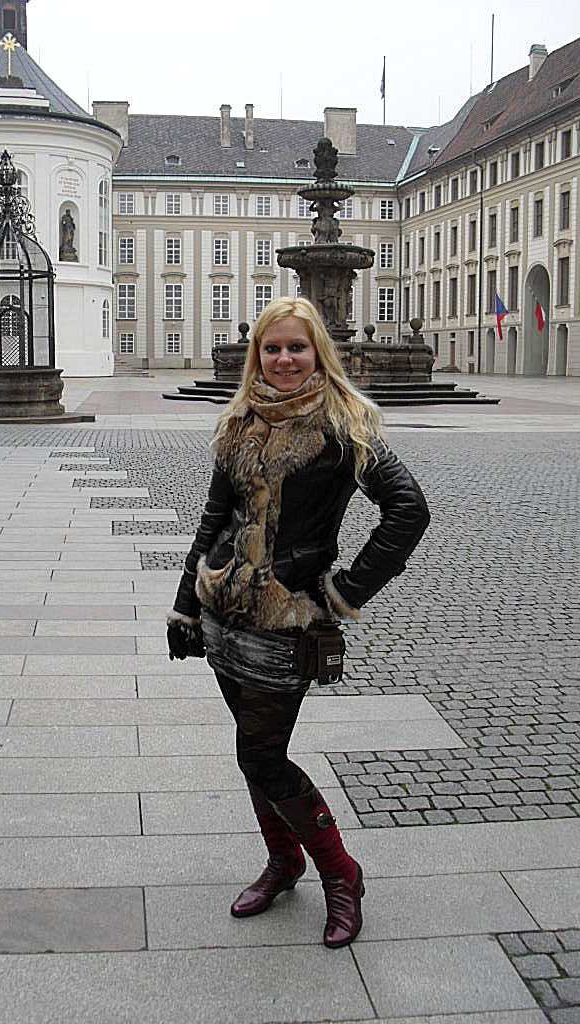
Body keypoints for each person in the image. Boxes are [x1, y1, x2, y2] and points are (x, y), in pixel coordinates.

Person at [167, 296, 430, 948]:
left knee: (261, 754)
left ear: (318, 353)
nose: (284, 359)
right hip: (224, 614)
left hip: (286, 619)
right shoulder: (239, 421)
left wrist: (344, 592)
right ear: (257, 355)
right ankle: (283, 862)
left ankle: (341, 874)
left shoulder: (344, 423)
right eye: (273, 348)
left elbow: (408, 509)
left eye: (297, 347)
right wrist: (185, 604)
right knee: (256, 753)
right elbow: (214, 521)